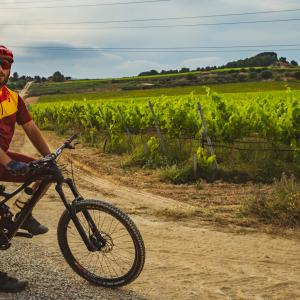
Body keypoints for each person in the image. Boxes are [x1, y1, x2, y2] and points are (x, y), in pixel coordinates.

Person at [0, 45, 51, 292]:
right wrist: (9, 163)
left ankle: (22, 213)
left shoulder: (13, 98)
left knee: (45, 172)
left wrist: (49, 157)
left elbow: (30, 129)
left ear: (9, 69)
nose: (0, 68)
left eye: (5, 64)